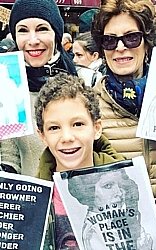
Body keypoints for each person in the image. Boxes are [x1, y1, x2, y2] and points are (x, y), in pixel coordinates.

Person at [34, 72, 125, 249]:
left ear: (97, 128)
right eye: (54, 128)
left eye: (78, 124)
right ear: (42, 136)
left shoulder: (126, 185)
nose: (67, 137)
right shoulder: (33, 197)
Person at [91, 0, 156, 197]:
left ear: (147, 43)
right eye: (110, 40)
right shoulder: (88, 108)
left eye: (131, 37)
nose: (121, 47)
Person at [0, 0, 77, 176]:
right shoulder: (9, 86)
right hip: (32, 199)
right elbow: (10, 156)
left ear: (56, 33)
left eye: (42, 29)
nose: (33, 40)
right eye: (23, 31)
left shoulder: (85, 80)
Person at [68, 168, 153, 250]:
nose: (119, 193)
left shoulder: (122, 220)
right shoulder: (92, 232)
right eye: (108, 186)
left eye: (121, 185)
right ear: (89, 192)